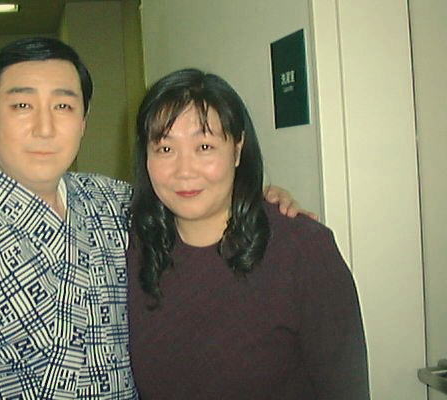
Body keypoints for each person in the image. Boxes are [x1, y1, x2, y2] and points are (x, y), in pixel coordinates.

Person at [0, 38, 306, 399]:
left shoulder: (109, 203)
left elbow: (189, 201)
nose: (44, 128)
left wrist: (260, 199)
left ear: (83, 120)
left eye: (63, 107)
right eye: (22, 105)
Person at [128, 69, 369, 399]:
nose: (184, 171)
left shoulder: (303, 250)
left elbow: (347, 389)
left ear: (238, 150)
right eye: (165, 149)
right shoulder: (131, 250)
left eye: (204, 146)